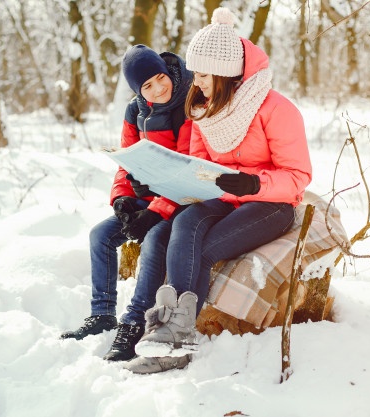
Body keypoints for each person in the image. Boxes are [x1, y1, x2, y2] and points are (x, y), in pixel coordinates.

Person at [125, 7, 313, 374]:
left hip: (270, 203)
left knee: (206, 249)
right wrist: (186, 180)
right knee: (186, 224)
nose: (197, 81)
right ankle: (171, 332)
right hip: (222, 197)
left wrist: (256, 182)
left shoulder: (276, 108)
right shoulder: (202, 109)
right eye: (195, 72)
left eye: (204, 73)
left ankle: (175, 337)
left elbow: (298, 175)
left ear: (226, 72)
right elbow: (197, 162)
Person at [60, 44, 193, 362]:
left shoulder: (189, 103)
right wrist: (122, 200)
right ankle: (102, 314)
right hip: (143, 199)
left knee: (151, 242)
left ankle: (133, 325)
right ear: (138, 91)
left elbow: (187, 171)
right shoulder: (136, 111)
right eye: (148, 85)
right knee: (100, 236)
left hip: (178, 202)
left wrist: (153, 213)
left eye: (161, 78)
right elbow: (127, 162)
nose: (159, 88)